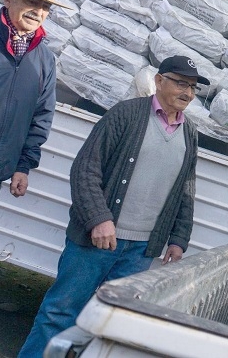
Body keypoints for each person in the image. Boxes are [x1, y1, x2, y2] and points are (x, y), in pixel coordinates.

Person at [18, 55, 208, 357]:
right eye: (181, 83)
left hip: (141, 250)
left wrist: (178, 238)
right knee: (60, 313)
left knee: (112, 326)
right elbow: (85, 169)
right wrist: (98, 219)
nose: (188, 93)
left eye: (194, 87)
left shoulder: (190, 133)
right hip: (97, 240)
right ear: (159, 81)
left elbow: (185, 189)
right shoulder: (126, 115)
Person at [0, 0, 72, 245]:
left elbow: (41, 117)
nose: (38, 11)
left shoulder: (44, 60)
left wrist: (23, 166)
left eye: (45, 7)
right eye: (32, 1)